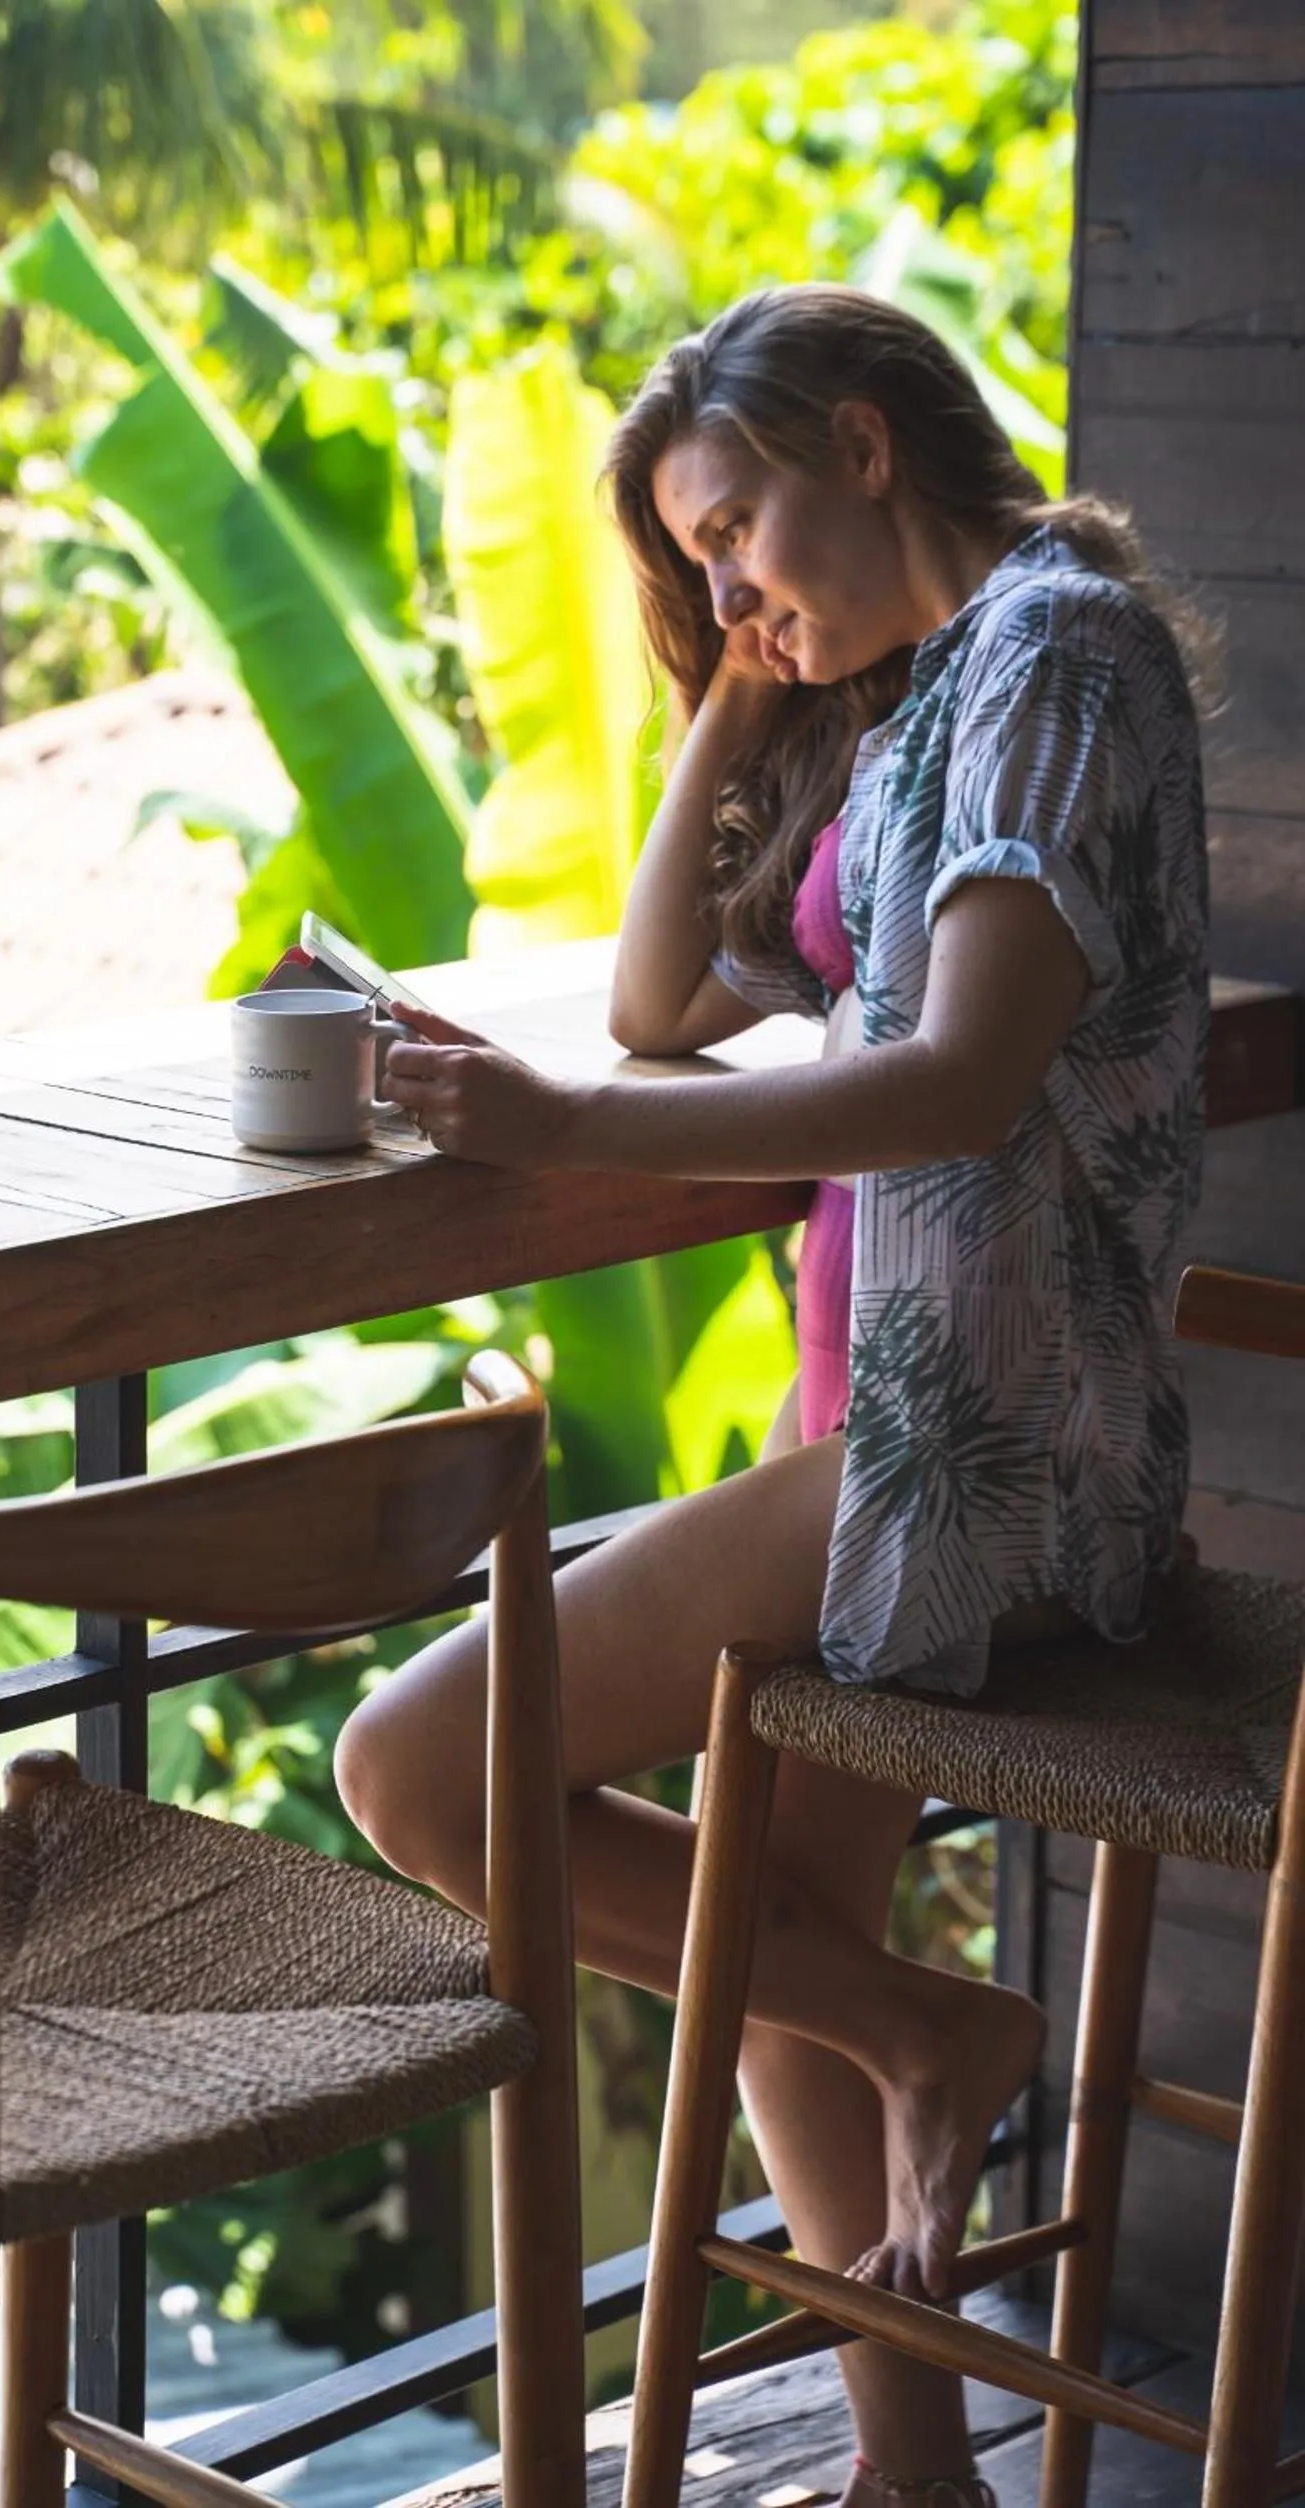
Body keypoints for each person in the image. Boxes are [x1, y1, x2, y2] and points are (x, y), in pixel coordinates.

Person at [334, 282, 1210, 2506]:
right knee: (775, 1937)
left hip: (982, 1451)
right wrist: (725, 708)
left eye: (734, 533)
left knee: (416, 1761)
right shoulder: (915, 701)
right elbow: (653, 1001)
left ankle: (936, 2029)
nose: (726, 587)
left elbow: (956, 1081)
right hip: (894, 1427)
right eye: (693, 569)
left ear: (856, 441)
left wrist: (540, 1135)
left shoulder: (1052, 661)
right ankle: (912, 2465)